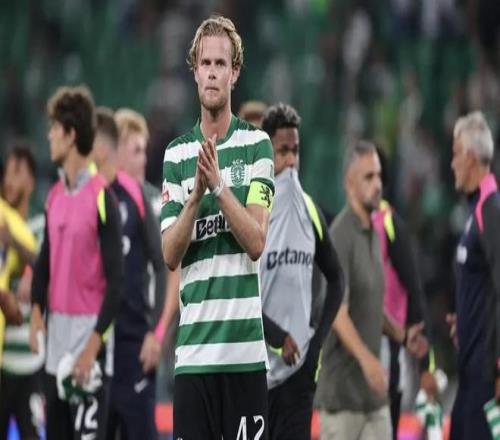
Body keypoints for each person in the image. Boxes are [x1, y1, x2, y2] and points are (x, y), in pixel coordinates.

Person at [161, 15, 275, 439]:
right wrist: (194, 198)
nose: (212, 72)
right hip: (194, 358)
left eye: (220, 64)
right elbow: (170, 254)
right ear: (194, 72)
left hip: (245, 358)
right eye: (205, 63)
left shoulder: (258, 146)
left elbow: (256, 241)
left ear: (235, 73)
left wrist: (219, 187)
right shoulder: (176, 155)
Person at [29, 85, 124, 440]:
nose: (49, 135)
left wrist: (92, 349)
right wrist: (36, 312)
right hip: (55, 355)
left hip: (89, 358)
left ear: (70, 135)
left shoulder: (102, 198)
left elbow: (116, 283)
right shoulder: (53, 196)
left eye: (54, 128)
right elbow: (44, 263)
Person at [259, 103, 344, 440]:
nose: (291, 162)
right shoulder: (251, 214)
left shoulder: (309, 210)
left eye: (295, 151)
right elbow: (239, 292)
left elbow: (337, 279)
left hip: (298, 377)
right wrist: (277, 336)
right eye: (283, 152)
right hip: (255, 372)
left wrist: (316, 345)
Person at [92, 107, 166, 439]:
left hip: (140, 335)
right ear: (116, 149)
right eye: (136, 151)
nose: (144, 160)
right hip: (102, 338)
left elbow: (168, 268)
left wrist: (158, 333)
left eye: (144, 151)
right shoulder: (94, 193)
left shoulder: (152, 201)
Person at [316, 140, 394, 439]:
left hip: (373, 399)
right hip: (343, 402)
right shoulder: (341, 235)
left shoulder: (373, 233)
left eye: (379, 176)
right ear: (349, 184)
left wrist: (400, 333)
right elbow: (338, 313)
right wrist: (368, 360)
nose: (378, 184)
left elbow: (370, 303)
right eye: (369, 177)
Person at [447, 111, 500, 440]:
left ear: (469, 156)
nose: (452, 163)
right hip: (469, 370)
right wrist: (465, 320)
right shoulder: (474, 210)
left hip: (485, 376)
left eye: (455, 154)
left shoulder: (490, 210)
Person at [372, 147, 431, 438]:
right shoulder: (355, 222)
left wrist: (426, 363)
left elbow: (414, 286)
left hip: (390, 344)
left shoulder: (390, 223)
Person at [0, 144, 45, 439]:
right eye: (7, 172)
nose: (9, 180)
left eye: (16, 172)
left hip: (31, 365)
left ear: (30, 182)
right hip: (3, 361)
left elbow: (45, 267)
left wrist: (14, 244)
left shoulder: (41, 226)